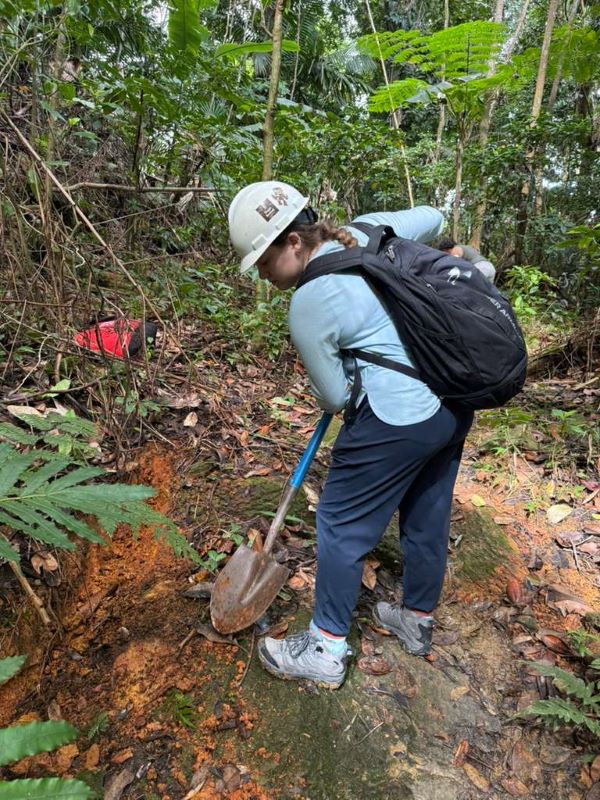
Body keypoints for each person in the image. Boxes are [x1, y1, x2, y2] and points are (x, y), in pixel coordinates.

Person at [228, 181, 474, 689]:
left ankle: (325, 649)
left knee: (340, 522)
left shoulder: (309, 301)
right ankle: (416, 621)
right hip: (451, 399)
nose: (262, 275)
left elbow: (337, 398)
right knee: (426, 511)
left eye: (264, 262)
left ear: (293, 241)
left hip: (396, 415)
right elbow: (431, 214)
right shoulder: (366, 229)